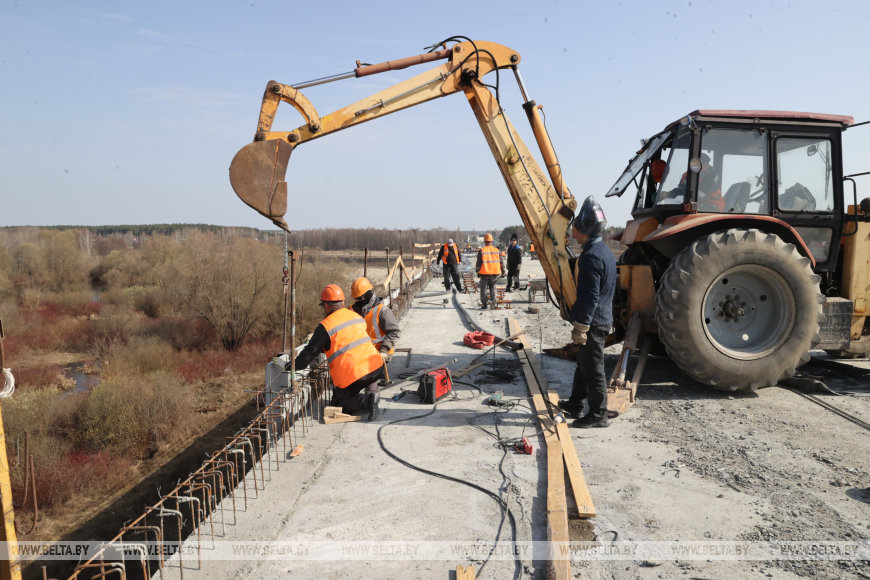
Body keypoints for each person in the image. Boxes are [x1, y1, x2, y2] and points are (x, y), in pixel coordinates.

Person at [557, 196, 616, 429]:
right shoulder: (605, 251)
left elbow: (591, 296)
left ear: (584, 229)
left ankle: (599, 414)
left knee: (594, 369)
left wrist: (581, 325)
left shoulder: (591, 257)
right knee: (583, 363)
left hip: (593, 321)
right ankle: (576, 404)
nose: (572, 230)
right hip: (600, 317)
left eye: (575, 226)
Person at [285, 284, 384, 421]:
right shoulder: (355, 316)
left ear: (326, 305)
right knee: (344, 390)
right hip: (377, 368)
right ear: (343, 302)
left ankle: (367, 400)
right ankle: (370, 391)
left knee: (338, 403)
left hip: (356, 376)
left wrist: (289, 366)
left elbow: (306, 357)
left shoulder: (325, 326)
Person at [350, 277, 401, 361]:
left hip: (381, 353)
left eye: (359, 298)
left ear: (365, 297)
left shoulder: (382, 311)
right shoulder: (353, 310)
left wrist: (383, 350)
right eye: (355, 298)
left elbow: (395, 332)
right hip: (363, 354)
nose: (356, 301)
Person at [476, 233, 504, 309]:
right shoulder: (497, 250)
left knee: (483, 289)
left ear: (485, 241)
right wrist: (503, 271)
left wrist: (477, 272)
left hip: (484, 274)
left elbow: (478, 263)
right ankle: (493, 300)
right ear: (492, 241)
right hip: (495, 273)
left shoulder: (481, 251)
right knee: (493, 288)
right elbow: (501, 262)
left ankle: (484, 305)